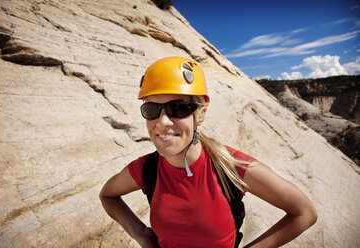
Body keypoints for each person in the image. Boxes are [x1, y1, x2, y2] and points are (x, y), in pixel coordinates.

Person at [99, 56, 318, 248]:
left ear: (201, 115)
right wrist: (140, 235)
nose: (163, 121)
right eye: (152, 110)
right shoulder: (146, 169)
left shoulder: (232, 168)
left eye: (179, 109)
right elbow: (108, 195)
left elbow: (304, 213)